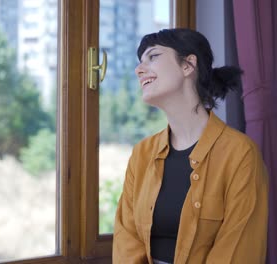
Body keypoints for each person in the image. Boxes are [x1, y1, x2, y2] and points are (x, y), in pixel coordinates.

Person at [112, 28, 268, 264]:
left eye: (153, 56)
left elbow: (238, 251)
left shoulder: (241, 154)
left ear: (188, 65)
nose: (139, 69)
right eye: (139, 62)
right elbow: (127, 238)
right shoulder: (141, 154)